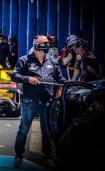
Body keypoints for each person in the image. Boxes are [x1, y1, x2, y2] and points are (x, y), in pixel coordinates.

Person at [11, 35, 66, 168]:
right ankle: (18, 156)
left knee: (46, 131)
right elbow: (14, 76)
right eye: (44, 43)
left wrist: (64, 87)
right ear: (36, 45)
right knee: (24, 129)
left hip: (47, 102)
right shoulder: (25, 60)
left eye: (48, 43)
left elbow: (61, 79)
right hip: (29, 101)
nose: (47, 46)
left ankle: (47, 157)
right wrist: (27, 79)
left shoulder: (52, 62)